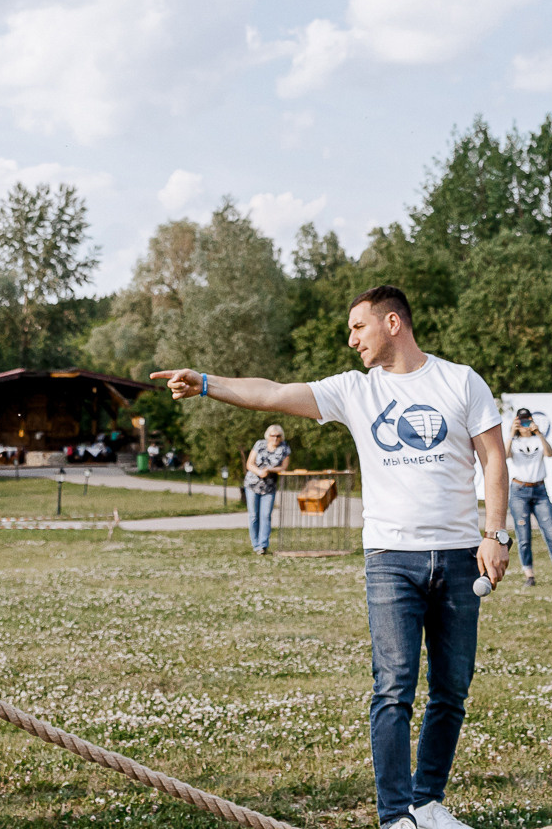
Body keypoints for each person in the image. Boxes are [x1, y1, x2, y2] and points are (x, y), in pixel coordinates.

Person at [153, 285, 509, 829]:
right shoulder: (354, 391)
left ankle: (428, 802)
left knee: (451, 691)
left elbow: (493, 458)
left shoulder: (460, 380)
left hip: (461, 557)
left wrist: (496, 534)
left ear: (393, 323)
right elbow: (271, 393)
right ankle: (396, 818)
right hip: (391, 560)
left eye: (357, 327)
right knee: (393, 688)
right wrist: (205, 384)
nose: (351, 340)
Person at [508, 406, 552, 585]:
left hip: (539, 490)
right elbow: (505, 454)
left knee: (551, 531)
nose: (525, 425)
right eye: (521, 422)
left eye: (527, 420)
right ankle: (529, 576)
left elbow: (549, 453)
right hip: (519, 490)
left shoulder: (538, 439)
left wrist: (539, 433)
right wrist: (512, 434)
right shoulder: (514, 441)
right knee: (523, 536)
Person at [244, 423, 291, 556]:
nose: (275, 438)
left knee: (266, 516)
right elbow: (249, 463)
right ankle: (256, 544)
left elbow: (283, 467)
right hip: (253, 484)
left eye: (278, 436)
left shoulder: (284, 448)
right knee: (254, 516)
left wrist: (270, 470)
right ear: (268, 436)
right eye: (273, 435)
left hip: (269, 486)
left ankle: (263, 546)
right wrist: (259, 472)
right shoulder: (259, 444)